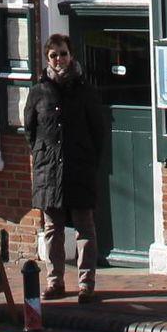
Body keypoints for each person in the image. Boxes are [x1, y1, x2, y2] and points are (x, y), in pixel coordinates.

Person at [24, 32, 109, 301]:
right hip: (49, 169)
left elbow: (98, 131)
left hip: (79, 166)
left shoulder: (85, 91)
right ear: (47, 59)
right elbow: (30, 131)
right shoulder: (38, 92)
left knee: (85, 226)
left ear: (71, 56)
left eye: (63, 54)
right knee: (53, 228)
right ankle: (55, 282)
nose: (59, 59)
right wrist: (43, 156)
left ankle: (86, 284)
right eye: (53, 55)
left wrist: (87, 158)